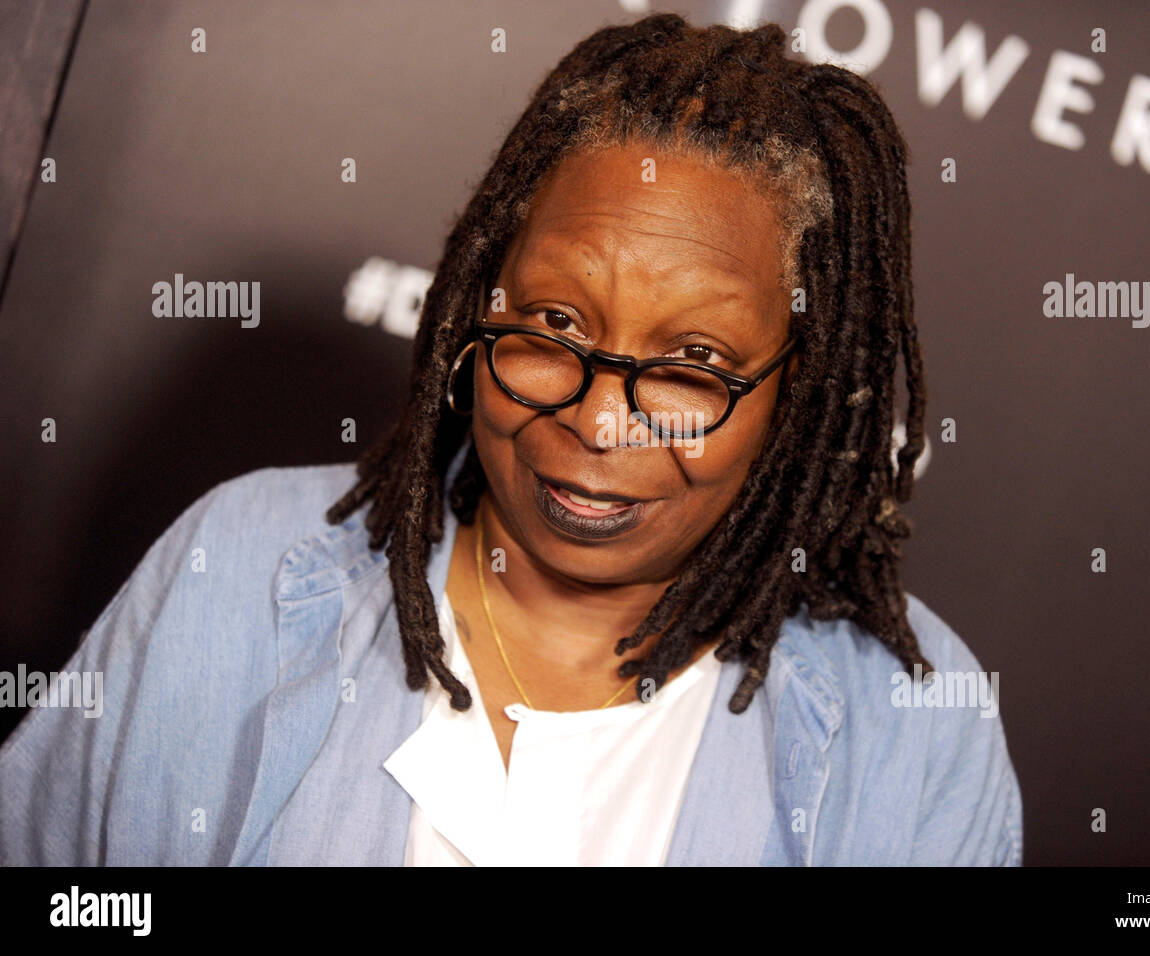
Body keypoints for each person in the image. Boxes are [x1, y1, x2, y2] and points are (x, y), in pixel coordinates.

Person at [0, 13, 1022, 866]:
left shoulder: (912, 732)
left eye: (693, 363)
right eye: (554, 326)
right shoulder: (244, 571)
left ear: (794, 397)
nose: (595, 415)